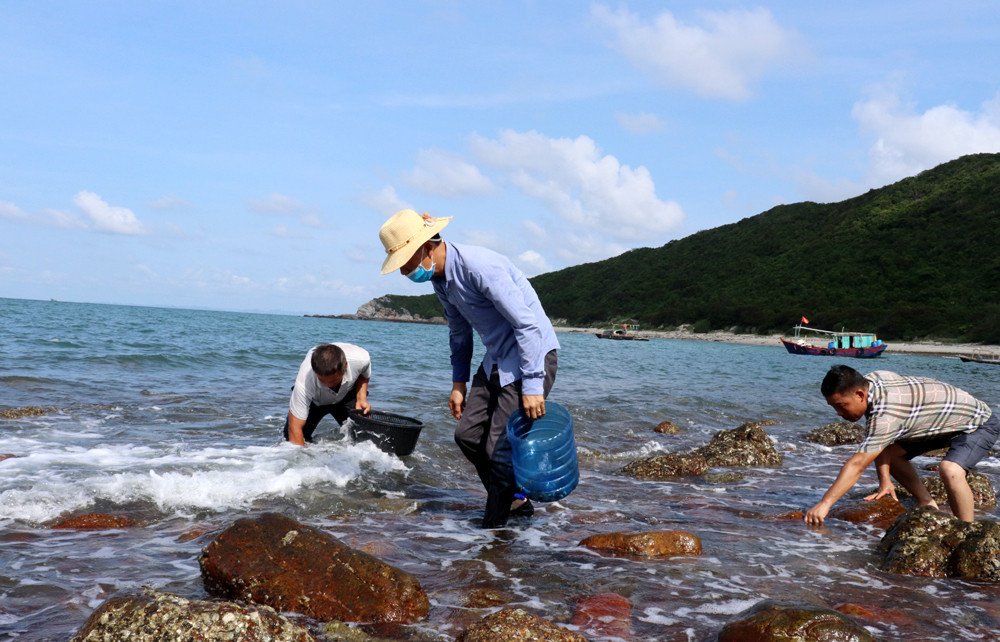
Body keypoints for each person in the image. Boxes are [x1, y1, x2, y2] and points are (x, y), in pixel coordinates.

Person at [378, 209, 560, 528]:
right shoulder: (440, 280)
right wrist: (458, 383)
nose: (405, 271)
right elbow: (459, 332)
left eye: (406, 262)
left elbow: (528, 326)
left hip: (531, 357)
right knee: (467, 435)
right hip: (497, 359)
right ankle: (515, 500)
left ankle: (492, 533)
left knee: (498, 450)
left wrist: (532, 386)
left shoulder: (480, 267)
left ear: (427, 247)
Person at [805, 365, 998, 525]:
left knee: (950, 470)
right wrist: (885, 481)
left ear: (860, 394)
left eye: (841, 405)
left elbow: (858, 464)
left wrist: (825, 503)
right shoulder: (873, 380)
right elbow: (881, 440)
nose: (839, 413)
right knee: (892, 452)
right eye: (834, 407)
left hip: (977, 423)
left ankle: (967, 530)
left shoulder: (887, 413)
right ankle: (926, 502)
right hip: (941, 422)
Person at [283, 343, 372, 446]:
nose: (329, 386)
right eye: (322, 381)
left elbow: (364, 373)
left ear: (345, 366)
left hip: (346, 395)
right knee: (290, 439)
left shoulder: (361, 359)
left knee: (365, 438)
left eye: (334, 381)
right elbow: (295, 427)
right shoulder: (304, 382)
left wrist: (361, 398)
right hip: (315, 400)